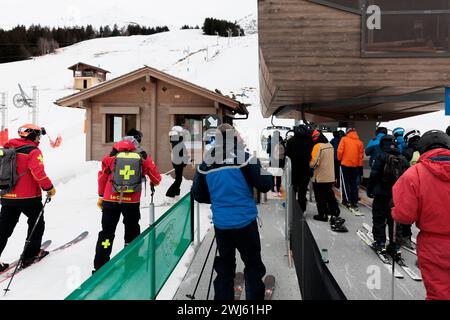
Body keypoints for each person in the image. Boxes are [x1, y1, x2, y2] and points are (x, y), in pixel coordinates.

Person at [192, 124, 272, 300]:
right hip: (245, 222)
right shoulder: (245, 157)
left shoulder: (206, 162)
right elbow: (265, 185)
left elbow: (198, 194)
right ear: (235, 137)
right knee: (252, 264)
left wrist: (219, 200)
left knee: (225, 268)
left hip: (222, 225)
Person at [392, 130, 450, 300]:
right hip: (435, 243)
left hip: (434, 245)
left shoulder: (414, 174)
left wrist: (394, 208)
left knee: (438, 293)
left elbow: (404, 216)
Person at [94, 135, 162, 272]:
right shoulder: (142, 157)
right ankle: (131, 262)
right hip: (131, 202)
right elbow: (156, 178)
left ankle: (100, 266)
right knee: (131, 231)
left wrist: (101, 196)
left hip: (110, 200)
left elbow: (102, 178)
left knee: (107, 233)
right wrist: (152, 179)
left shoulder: (110, 157)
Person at [0, 124, 56, 271]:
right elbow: (38, 173)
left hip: (7, 195)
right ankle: (30, 255)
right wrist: (49, 188)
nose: (39, 139)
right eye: (38, 135)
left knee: (3, 229)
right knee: (36, 224)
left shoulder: (6, 149)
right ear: (32, 136)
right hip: (29, 197)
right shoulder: (33, 151)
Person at [367, 135, 409, 257]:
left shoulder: (381, 156)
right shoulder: (403, 158)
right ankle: (395, 245)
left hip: (381, 194)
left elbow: (374, 175)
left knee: (379, 218)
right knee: (395, 220)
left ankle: (380, 243)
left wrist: (370, 190)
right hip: (397, 196)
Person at [310, 131, 346, 231]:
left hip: (320, 176)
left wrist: (308, 165)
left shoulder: (318, 146)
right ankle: (334, 211)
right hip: (329, 176)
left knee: (320, 196)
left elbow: (313, 162)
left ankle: (322, 215)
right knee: (329, 194)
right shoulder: (329, 145)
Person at [285, 125, 314, 213]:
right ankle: (302, 209)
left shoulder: (290, 141)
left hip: (293, 170)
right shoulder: (310, 141)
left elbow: (287, 155)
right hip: (305, 170)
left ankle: (292, 208)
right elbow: (311, 155)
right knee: (302, 191)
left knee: (292, 189)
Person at [337, 128, 364, 211]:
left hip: (345, 164)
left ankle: (346, 200)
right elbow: (360, 156)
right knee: (353, 184)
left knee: (345, 183)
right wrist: (360, 166)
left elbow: (340, 151)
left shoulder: (344, 139)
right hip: (355, 166)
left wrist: (339, 160)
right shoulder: (360, 142)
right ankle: (354, 201)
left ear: (347, 132)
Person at [166, 126, 189, 199]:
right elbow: (177, 153)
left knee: (179, 179)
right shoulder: (176, 141)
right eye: (181, 133)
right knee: (178, 179)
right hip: (178, 162)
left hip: (179, 162)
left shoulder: (177, 140)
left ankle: (175, 194)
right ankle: (170, 193)